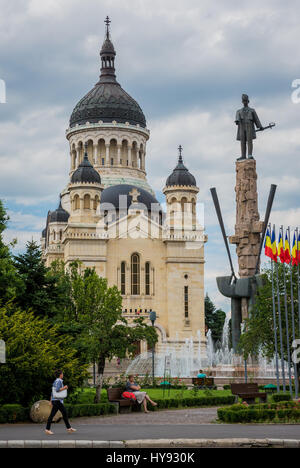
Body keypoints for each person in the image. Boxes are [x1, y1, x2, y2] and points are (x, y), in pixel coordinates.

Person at [45, 370, 77, 435]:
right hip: (57, 401)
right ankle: (68, 428)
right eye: (62, 374)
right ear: (60, 375)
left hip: (55, 400)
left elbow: (52, 392)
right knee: (64, 413)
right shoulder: (59, 381)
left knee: (53, 415)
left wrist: (51, 401)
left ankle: (68, 428)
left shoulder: (55, 381)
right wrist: (65, 387)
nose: (63, 375)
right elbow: (57, 390)